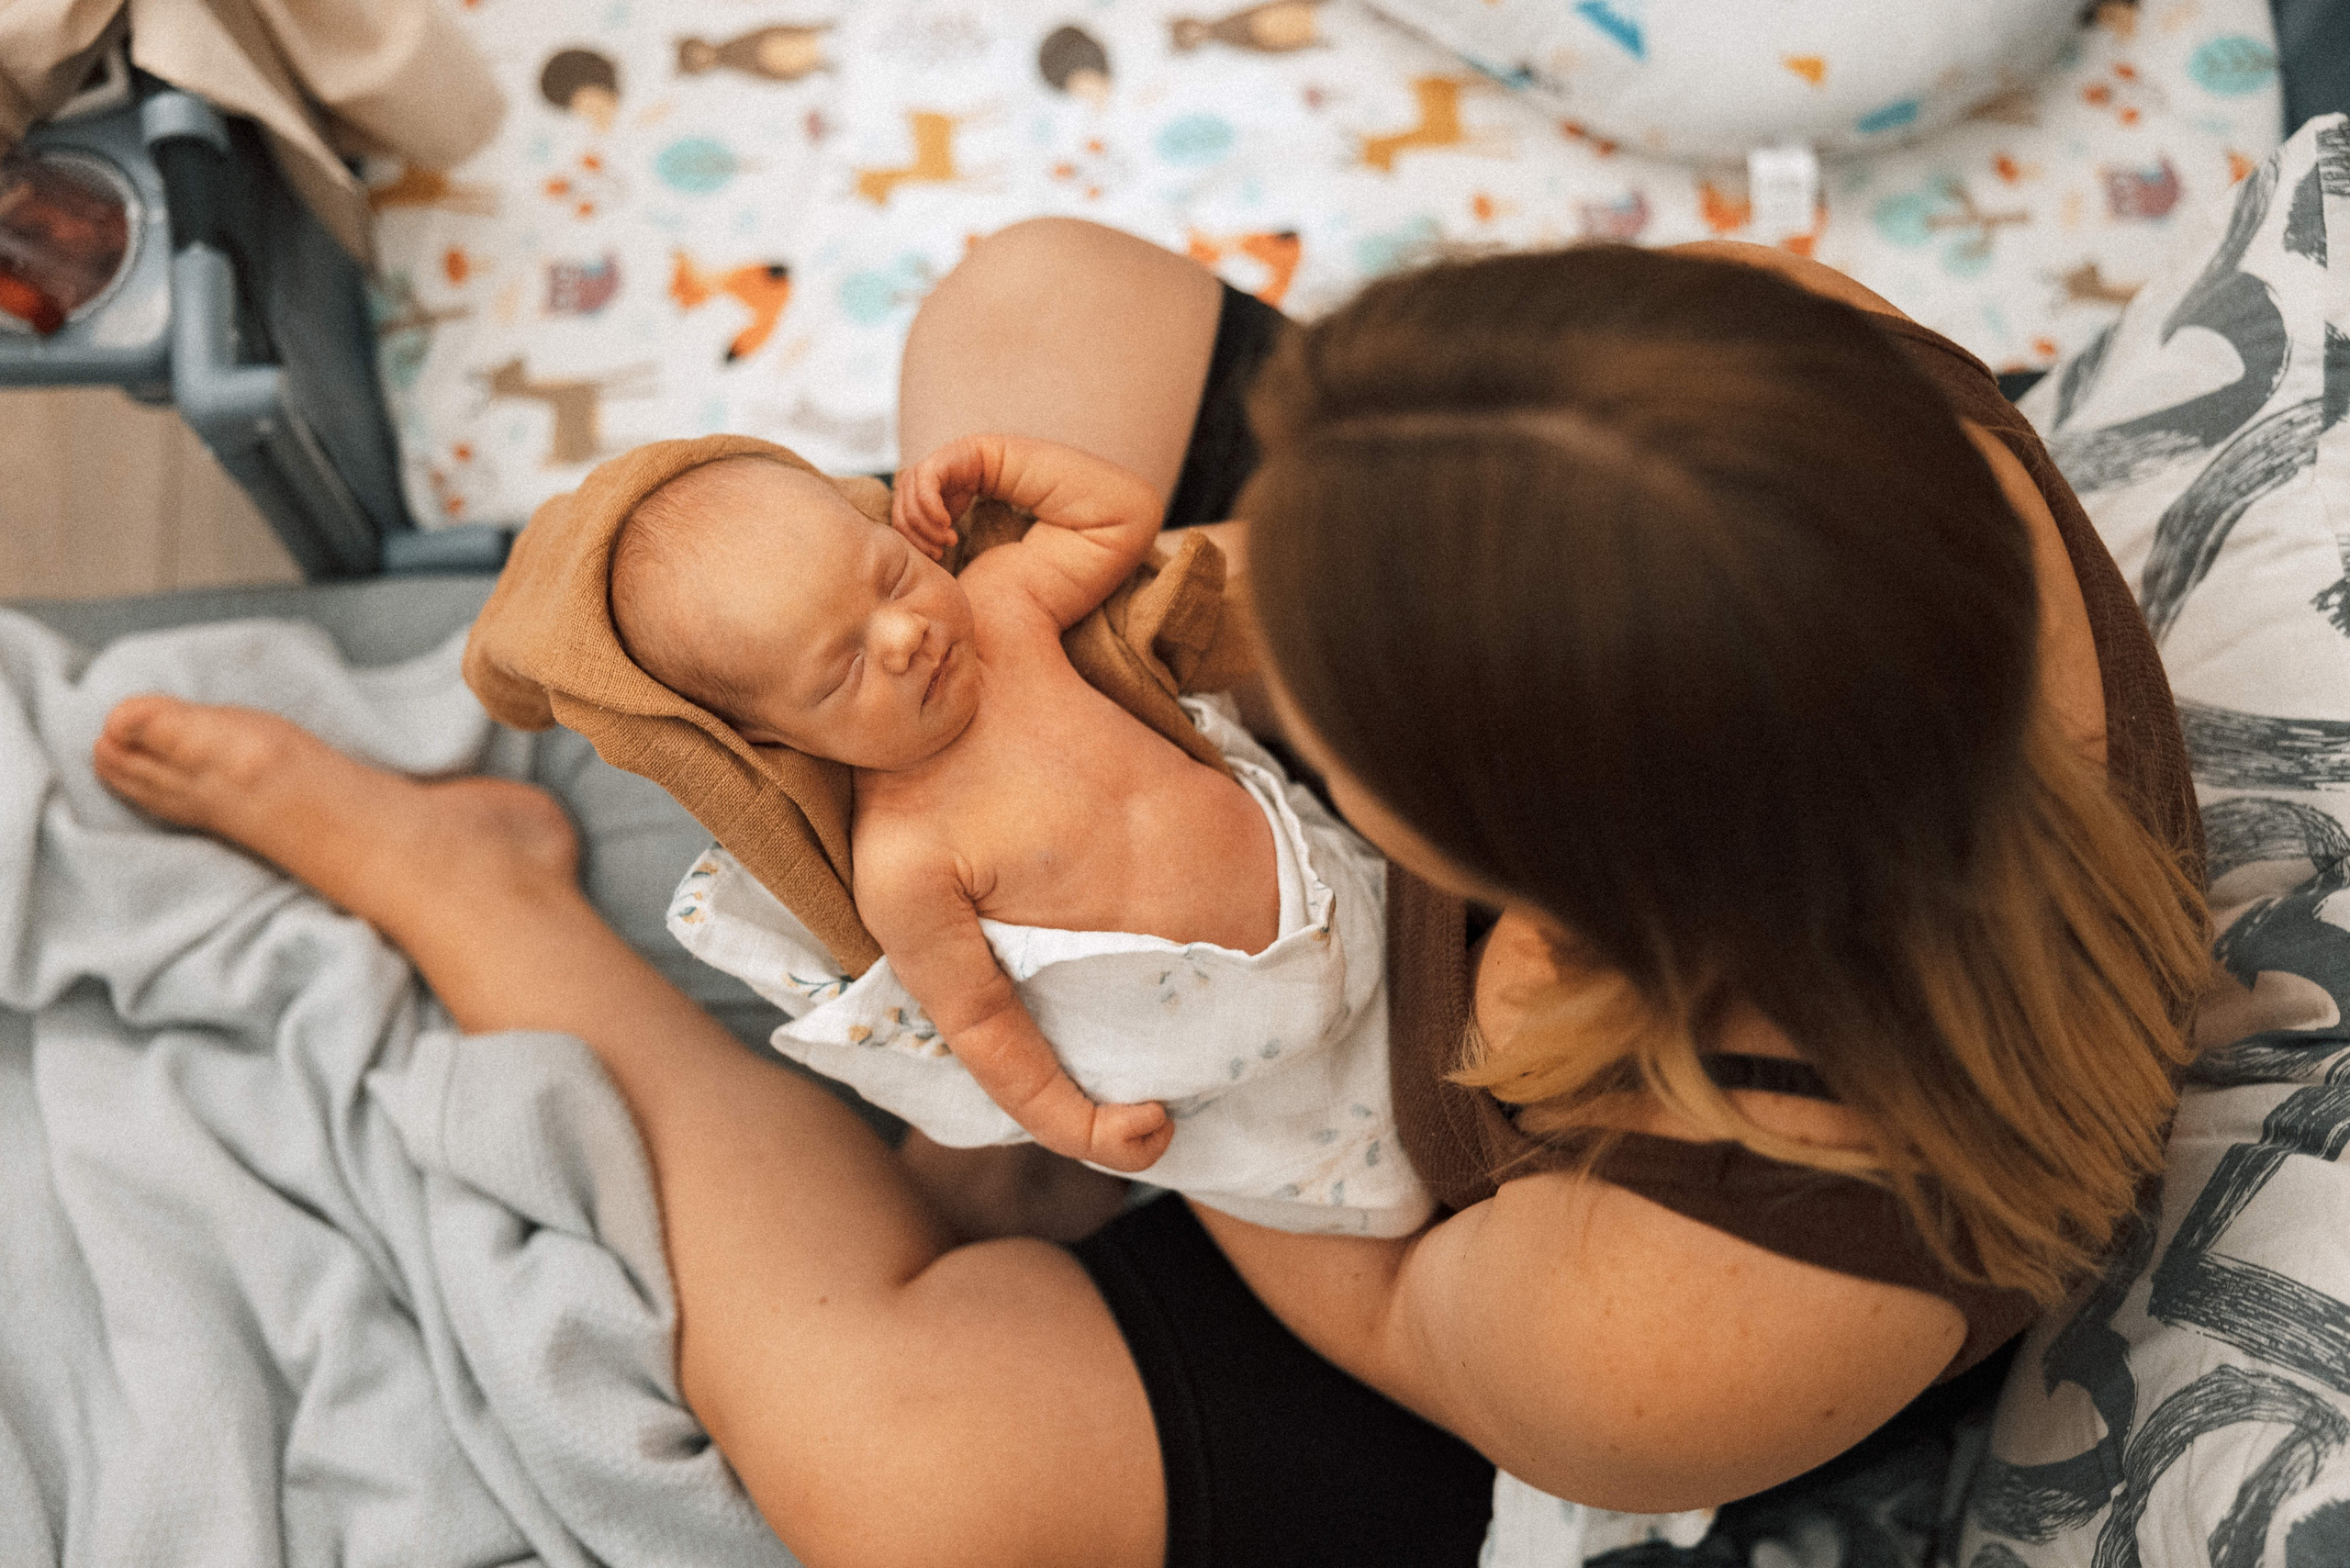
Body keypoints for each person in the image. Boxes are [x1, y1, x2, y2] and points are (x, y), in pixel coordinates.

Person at [88, 218, 2210, 1567]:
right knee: (1035, 302)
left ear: (1540, 903)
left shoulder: (1700, 1321)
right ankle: (835, 738)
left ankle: (496, 909)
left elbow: (1377, 1286)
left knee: (917, 1493)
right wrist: (1060, 638)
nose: (1214, 612)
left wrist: (1126, 1039)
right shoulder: (1817, 383)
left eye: (1309, 683)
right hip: (1564, 726)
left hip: (1400, 1216)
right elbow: (1176, 444)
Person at [607, 433, 1279, 1172]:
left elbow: (1117, 519)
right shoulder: (903, 858)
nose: (904, 634)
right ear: (772, 736)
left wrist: (997, 465)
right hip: (1225, 1055)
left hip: (1320, 878)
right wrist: (1075, 1127)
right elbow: (981, 1018)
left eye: (894, 578)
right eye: (845, 669)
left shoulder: (1003, 612)